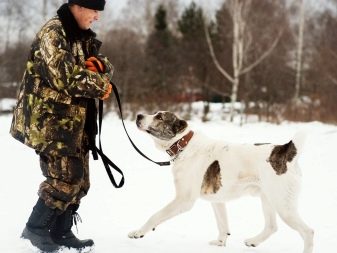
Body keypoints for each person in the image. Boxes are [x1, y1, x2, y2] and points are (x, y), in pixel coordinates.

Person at [10, 0, 113, 252]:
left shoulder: (81, 36)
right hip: (50, 122)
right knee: (64, 178)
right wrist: (100, 85)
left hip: (76, 122)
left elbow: (103, 66)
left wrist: (102, 67)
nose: (97, 17)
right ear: (78, 6)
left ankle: (61, 231)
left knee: (80, 181)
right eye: (94, 10)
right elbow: (64, 77)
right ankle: (33, 230)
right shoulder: (53, 33)